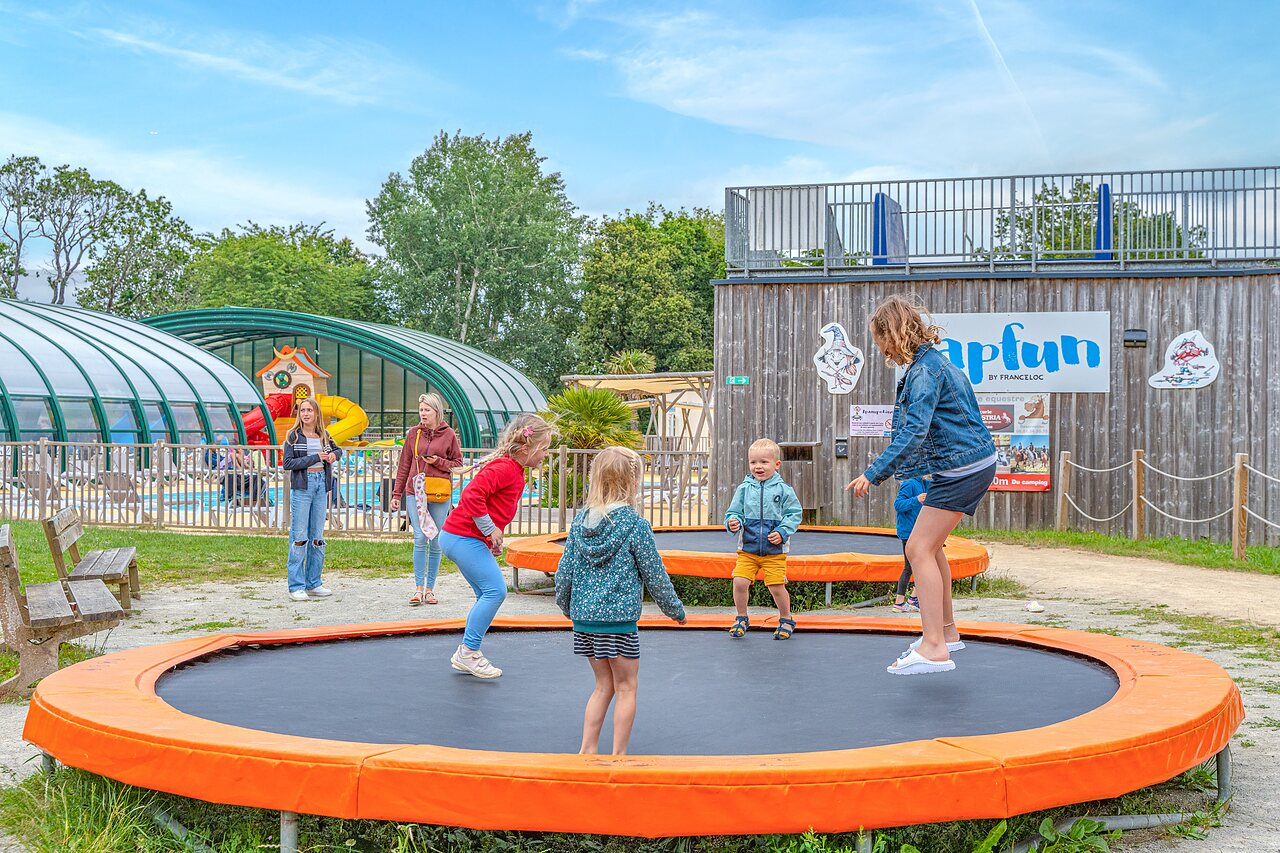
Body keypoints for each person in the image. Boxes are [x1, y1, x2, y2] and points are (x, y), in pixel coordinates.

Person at [846, 295, 996, 676]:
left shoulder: (925, 372)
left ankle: (933, 648)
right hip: (968, 464)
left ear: (891, 333)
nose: (878, 348)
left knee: (918, 548)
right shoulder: (932, 363)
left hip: (962, 468)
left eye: (878, 339)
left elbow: (915, 431)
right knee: (932, 548)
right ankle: (946, 633)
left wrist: (873, 472)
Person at [555, 446, 687, 755]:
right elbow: (655, 574)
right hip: (619, 624)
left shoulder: (581, 524)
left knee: (602, 686)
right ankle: (619, 755)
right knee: (626, 687)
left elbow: (564, 572)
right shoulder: (634, 526)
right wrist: (675, 611)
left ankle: (587, 750)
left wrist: (568, 607)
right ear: (633, 482)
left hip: (586, 621)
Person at [440, 413, 556, 678]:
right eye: (544, 449)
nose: (546, 455)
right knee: (495, 591)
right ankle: (468, 652)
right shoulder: (504, 468)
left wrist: (492, 535)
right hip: (461, 536)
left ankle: (469, 650)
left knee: (487, 593)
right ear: (526, 448)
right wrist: (488, 529)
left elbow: (495, 505)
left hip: (462, 537)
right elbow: (471, 495)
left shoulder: (513, 469)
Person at [724, 438, 803, 640]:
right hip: (748, 549)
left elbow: (794, 514)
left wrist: (783, 531)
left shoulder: (783, 490)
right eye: (753, 462)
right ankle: (742, 617)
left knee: (776, 586)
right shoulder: (744, 488)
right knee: (739, 581)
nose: (758, 466)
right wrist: (733, 521)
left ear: (777, 464)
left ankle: (786, 618)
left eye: (764, 462)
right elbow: (734, 512)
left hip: (774, 551)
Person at [389, 393, 463, 606]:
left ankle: (430, 589)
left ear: (436, 411)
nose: (422, 414)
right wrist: (396, 494)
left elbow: (457, 463)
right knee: (420, 537)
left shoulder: (449, 435)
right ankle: (418, 588)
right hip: (416, 491)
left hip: (439, 492)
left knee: (436, 539)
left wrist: (438, 461)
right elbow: (404, 465)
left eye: (426, 410)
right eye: (421, 410)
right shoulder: (414, 434)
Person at [281, 397, 343, 601]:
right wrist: (316, 458)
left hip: (320, 485)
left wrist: (334, 456)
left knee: (317, 535)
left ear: (316, 414)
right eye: (302, 410)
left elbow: (337, 450)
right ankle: (296, 585)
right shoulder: (292, 436)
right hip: (303, 485)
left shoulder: (323, 435)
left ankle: (314, 582)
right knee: (299, 536)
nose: (305, 414)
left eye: (309, 410)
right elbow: (288, 463)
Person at [891, 476, 926, 613]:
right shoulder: (909, 483)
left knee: (922, 564)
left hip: (918, 531)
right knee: (909, 567)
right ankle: (899, 603)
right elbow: (898, 505)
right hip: (908, 532)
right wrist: (916, 500)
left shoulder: (924, 483)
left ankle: (913, 598)